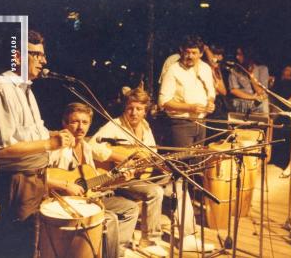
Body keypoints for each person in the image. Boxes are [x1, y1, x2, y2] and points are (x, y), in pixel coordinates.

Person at [0, 30, 78, 257]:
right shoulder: (2, 89)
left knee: (34, 244)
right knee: (20, 246)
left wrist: (56, 135)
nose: (44, 61)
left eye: (43, 55)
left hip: (36, 178)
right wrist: (49, 143)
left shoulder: (26, 89)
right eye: (37, 55)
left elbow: (29, 136)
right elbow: (1, 150)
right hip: (19, 182)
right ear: (18, 57)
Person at [49, 102, 139, 258]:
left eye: (85, 122)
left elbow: (93, 182)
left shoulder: (86, 148)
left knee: (130, 208)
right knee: (110, 219)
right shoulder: (58, 146)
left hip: (86, 199)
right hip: (62, 200)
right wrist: (65, 184)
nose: (80, 127)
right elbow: (39, 175)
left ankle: (116, 251)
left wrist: (118, 179)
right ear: (65, 123)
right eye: (75, 121)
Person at [89, 84, 169, 256]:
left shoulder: (146, 127)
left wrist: (151, 160)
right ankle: (149, 240)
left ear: (145, 111)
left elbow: (152, 152)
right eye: (130, 108)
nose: (134, 113)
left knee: (172, 180)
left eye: (139, 109)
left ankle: (184, 233)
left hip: (136, 175)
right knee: (155, 191)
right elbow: (91, 147)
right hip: (116, 178)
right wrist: (119, 157)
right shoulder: (115, 125)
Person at [158, 35, 215, 252]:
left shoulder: (206, 70)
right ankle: (185, 233)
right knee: (180, 177)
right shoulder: (173, 70)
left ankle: (188, 226)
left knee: (193, 175)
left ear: (201, 53)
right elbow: (164, 101)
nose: (190, 56)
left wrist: (209, 104)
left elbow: (211, 95)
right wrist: (190, 107)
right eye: (187, 52)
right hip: (180, 125)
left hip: (201, 125)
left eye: (194, 52)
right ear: (181, 51)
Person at [228, 46, 269, 114]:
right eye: (236, 54)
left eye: (240, 54)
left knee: (264, 102)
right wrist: (252, 97)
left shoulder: (262, 69)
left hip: (258, 104)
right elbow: (233, 90)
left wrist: (252, 78)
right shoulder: (234, 70)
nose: (237, 57)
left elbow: (261, 92)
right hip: (241, 103)